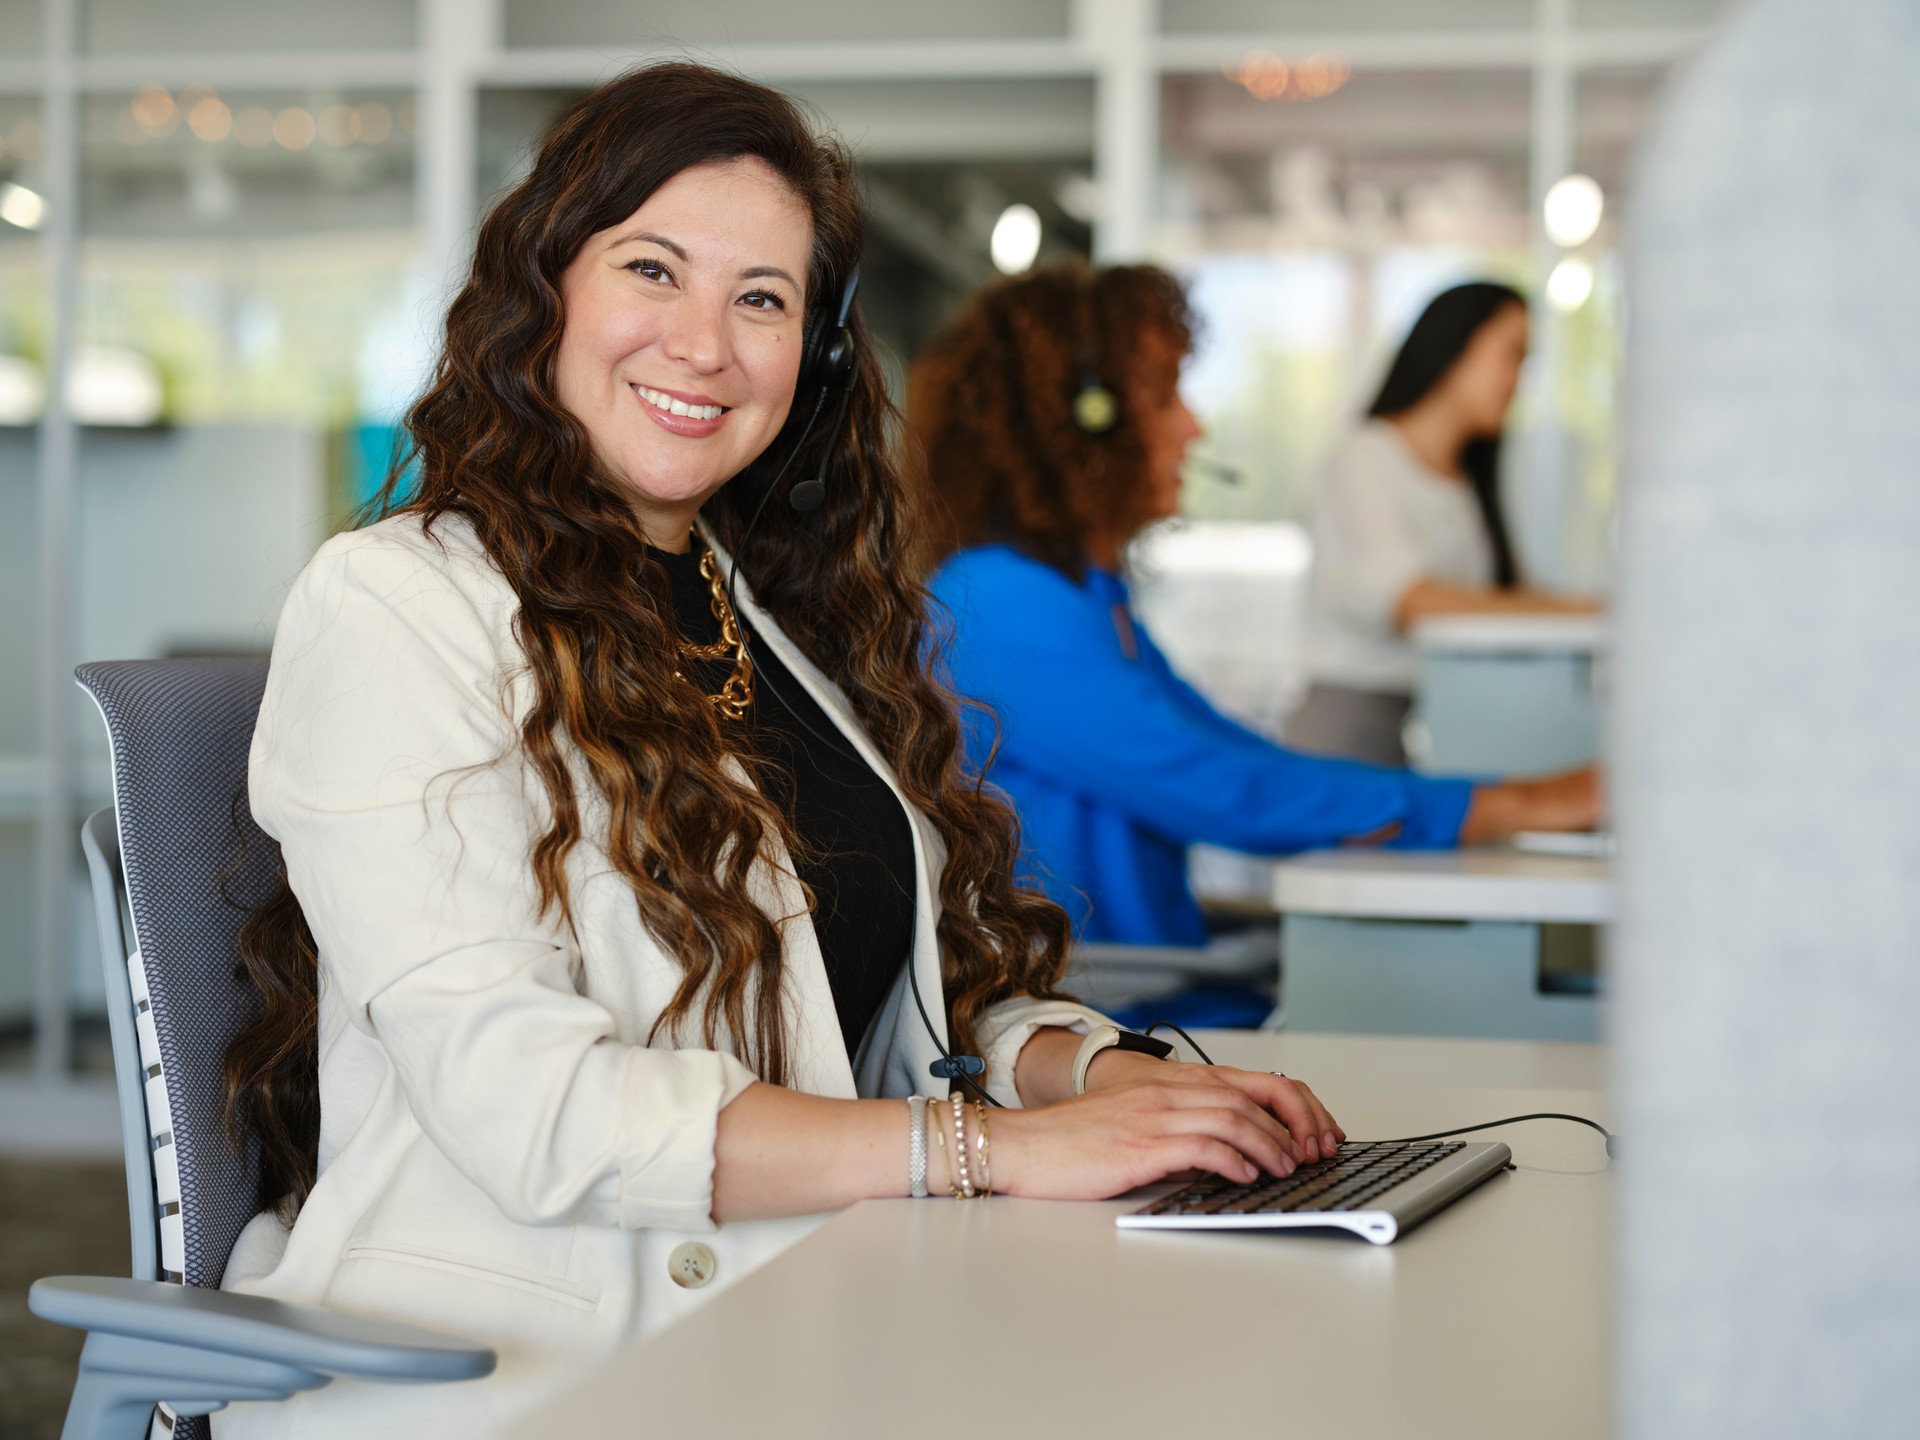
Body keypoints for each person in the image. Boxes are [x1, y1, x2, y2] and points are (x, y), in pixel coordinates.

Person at [212, 66, 1346, 1439]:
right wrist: (989, 1153)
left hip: (799, 1310)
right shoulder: (398, 603)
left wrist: (1110, 1083)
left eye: (763, 298)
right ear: (547, 293)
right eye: (654, 270)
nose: (706, 342)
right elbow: (534, 1108)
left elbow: (886, 1011)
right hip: (530, 1365)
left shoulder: (755, 618)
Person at [913, 266, 1596, 949]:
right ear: (1085, 422)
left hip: (1150, 992)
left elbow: (1229, 752)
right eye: (1163, 396)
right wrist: (1515, 804)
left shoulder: (1086, 597)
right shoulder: (998, 605)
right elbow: (1228, 789)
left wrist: (1501, 800)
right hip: (1114, 1015)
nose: (1193, 426)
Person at [1290, 282, 1598, 766]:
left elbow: (1490, 601)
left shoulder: (1469, 483)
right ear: (1455, 345)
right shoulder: (1365, 458)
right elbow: (1415, 601)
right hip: (1347, 734)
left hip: (1439, 722)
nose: (1518, 379)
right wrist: (1577, 614)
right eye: (1511, 354)